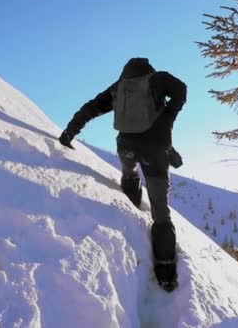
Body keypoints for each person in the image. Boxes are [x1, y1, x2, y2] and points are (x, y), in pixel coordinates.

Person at [58, 57, 187, 292]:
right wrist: (168, 116)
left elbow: (91, 108)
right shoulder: (158, 79)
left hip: (126, 146)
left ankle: (131, 214)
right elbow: (181, 89)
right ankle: (166, 272)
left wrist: (69, 132)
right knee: (160, 209)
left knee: (130, 175)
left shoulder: (119, 88)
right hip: (155, 149)